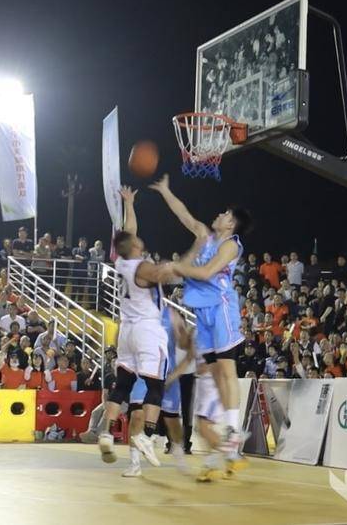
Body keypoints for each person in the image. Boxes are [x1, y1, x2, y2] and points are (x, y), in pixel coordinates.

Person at [150, 174, 251, 474]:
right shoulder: (206, 236)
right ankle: (224, 452)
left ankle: (232, 432)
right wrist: (166, 192)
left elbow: (206, 273)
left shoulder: (231, 245)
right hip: (202, 314)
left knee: (227, 370)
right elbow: (184, 216)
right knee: (215, 372)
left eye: (225, 214)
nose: (219, 214)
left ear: (231, 224)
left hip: (221, 309)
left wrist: (176, 266)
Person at [97, 186, 177, 468]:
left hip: (127, 331)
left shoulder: (122, 263)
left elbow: (129, 231)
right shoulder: (142, 267)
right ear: (133, 247)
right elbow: (162, 274)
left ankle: (106, 433)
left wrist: (129, 204)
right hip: (146, 329)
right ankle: (148, 436)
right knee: (156, 385)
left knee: (123, 384)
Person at [122, 308, 191, 478]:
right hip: (144, 373)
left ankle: (178, 451)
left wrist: (175, 374)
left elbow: (188, 348)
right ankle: (135, 464)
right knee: (136, 415)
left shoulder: (171, 315)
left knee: (172, 421)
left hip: (169, 375)